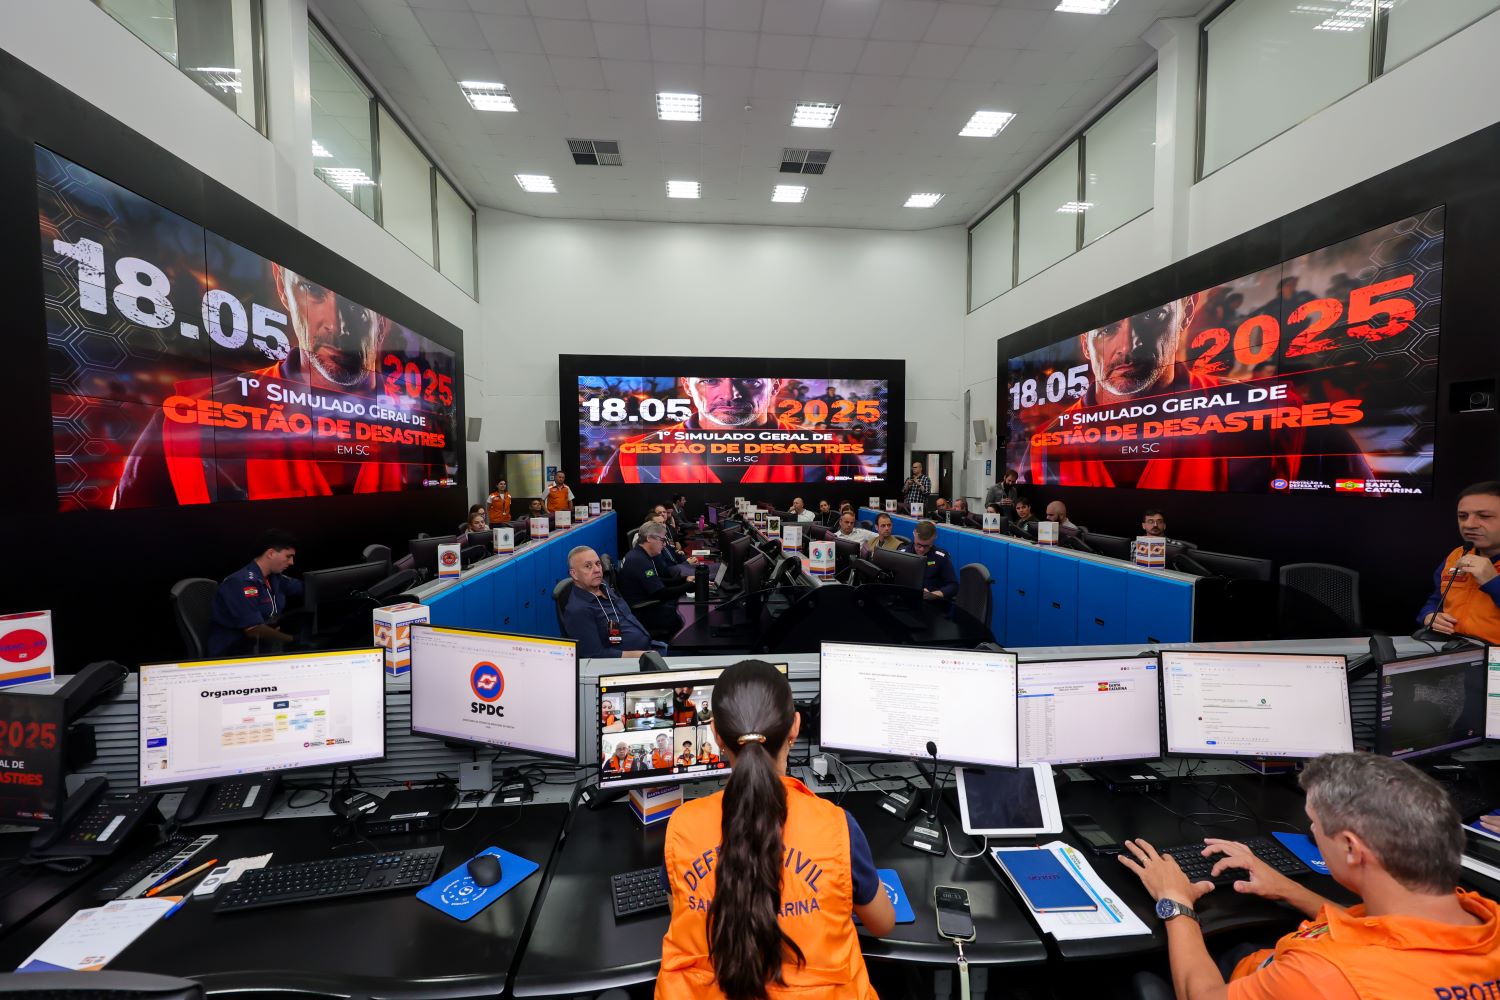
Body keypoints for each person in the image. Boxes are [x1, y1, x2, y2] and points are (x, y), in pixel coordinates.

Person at [1119, 752, 1500, 1000]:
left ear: (1351, 848)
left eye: (1314, 825)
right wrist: (1288, 889)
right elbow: (1389, 938)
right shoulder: (1480, 916)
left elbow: (1201, 996)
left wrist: (1176, 903)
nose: (1312, 831)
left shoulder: (1323, 976)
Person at [113, 265, 453, 507]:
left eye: (356, 306)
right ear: (281, 286)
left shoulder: (421, 426)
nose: (336, 326)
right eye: (313, 291)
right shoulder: (186, 418)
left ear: (384, 320)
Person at [657, 660, 894, 1000]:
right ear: (795, 727)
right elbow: (882, 924)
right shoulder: (837, 827)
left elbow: (681, 916)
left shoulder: (682, 826)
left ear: (716, 735)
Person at [1018, 296, 1371, 491]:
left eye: (1153, 316)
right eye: (1108, 330)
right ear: (1085, 344)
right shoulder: (1047, 446)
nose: (1128, 346)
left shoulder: (1277, 419)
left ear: (1186, 313)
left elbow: (1362, 524)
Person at [596, 377, 852, 484]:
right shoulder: (632, 455)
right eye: (710, 381)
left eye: (749, 380)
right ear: (687, 385)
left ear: (775, 386)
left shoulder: (830, 453)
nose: (730, 394)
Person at [1419, 480, 1500, 643]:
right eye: (1463, 516)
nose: (1469, 524)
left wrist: (1493, 582)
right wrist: (1429, 616)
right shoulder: (1456, 555)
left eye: (1484, 516)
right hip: (1454, 649)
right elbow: (1436, 600)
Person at [207, 529, 305, 656]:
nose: (291, 562)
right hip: (233, 651)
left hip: (258, 645)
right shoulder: (241, 582)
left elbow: (305, 588)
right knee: (305, 648)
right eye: (288, 556)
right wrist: (292, 640)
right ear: (271, 553)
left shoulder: (275, 578)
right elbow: (253, 629)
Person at [562, 546, 655, 659]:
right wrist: (642, 655)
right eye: (588, 566)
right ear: (574, 574)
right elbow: (594, 655)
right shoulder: (578, 611)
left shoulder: (603, 586)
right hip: (632, 661)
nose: (597, 570)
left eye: (598, 564)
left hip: (650, 647)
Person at [617, 523, 688, 640]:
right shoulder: (640, 561)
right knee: (683, 615)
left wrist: (684, 580)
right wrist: (690, 586)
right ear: (649, 538)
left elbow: (656, 580)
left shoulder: (638, 554)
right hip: (643, 612)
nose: (664, 544)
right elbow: (661, 593)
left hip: (644, 604)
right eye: (662, 540)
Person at [910, 520, 958, 601]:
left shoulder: (941, 557)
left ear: (934, 538)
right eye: (918, 545)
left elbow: (954, 586)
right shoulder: (903, 553)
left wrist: (934, 595)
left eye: (926, 546)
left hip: (932, 603)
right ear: (914, 534)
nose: (921, 549)